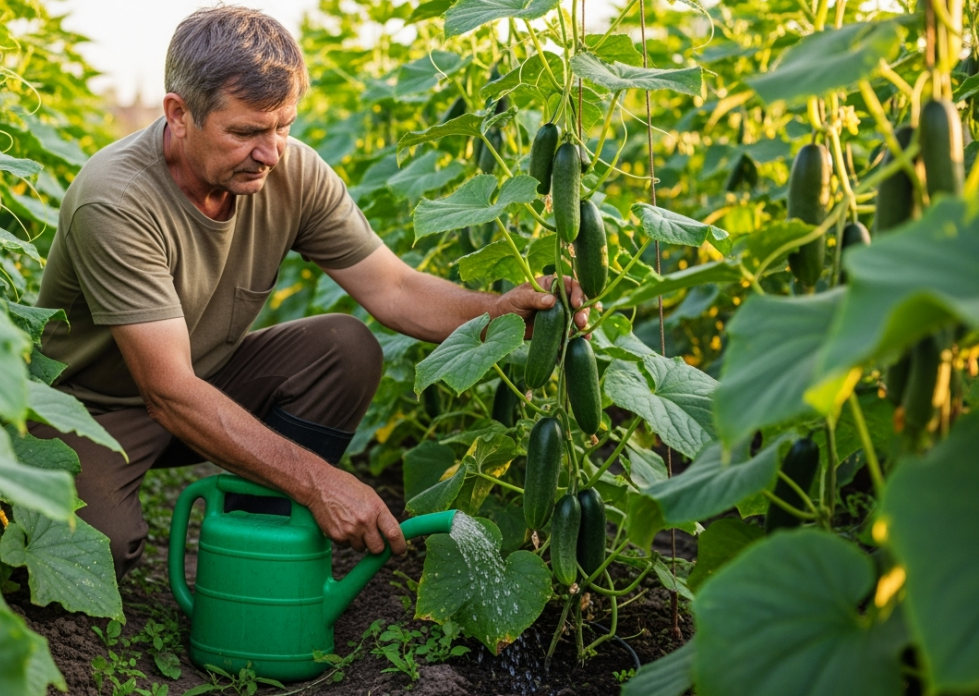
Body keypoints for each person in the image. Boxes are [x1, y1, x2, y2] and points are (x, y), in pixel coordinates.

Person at [31, 6, 591, 579]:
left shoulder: (290, 171)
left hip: (201, 384)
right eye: (246, 132)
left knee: (343, 349)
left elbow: (394, 288)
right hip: (91, 409)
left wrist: (497, 312)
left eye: (284, 126)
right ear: (179, 113)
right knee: (96, 551)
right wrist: (321, 482)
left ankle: (253, 546)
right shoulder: (117, 199)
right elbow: (167, 392)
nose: (271, 152)